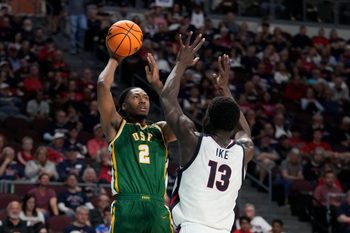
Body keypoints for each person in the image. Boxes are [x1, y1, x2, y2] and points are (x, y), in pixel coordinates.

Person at [161, 32, 254, 233]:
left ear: (207, 119)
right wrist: (225, 89)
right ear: (233, 125)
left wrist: (181, 63)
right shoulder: (244, 151)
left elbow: (168, 98)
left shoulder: (193, 140)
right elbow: (245, 131)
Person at [97, 44, 176, 231]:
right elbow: (102, 86)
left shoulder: (161, 130)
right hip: (128, 205)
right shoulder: (117, 126)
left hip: (157, 207)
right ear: (123, 106)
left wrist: (158, 86)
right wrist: (114, 59)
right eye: (136, 97)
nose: (143, 100)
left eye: (146, 97)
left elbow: (179, 122)